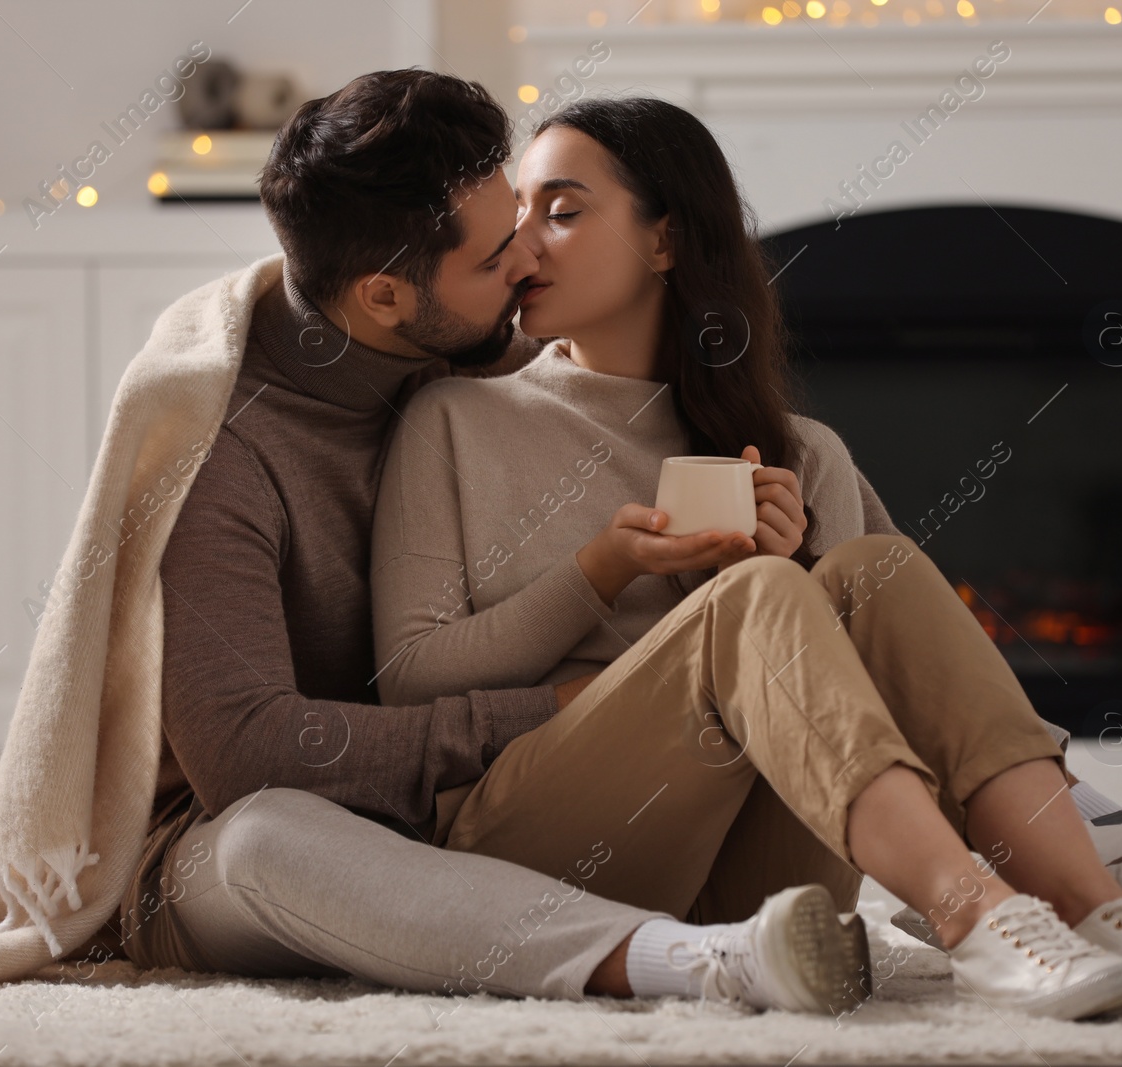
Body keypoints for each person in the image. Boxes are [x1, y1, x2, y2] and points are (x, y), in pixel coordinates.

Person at [367, 95, 1122, 1022]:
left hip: (758, 898)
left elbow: (896, 687)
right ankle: (981, 919)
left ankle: (1096, 910)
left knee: (874, 569)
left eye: (562, 210)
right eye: (518, 214)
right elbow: (409, 677)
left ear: (666, 241)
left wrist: (781, 572)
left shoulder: (799, 450)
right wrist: (602, 569)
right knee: (764, 592)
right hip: (536, 861)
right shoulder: (456, 418)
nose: (524, 246)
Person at [116, 69, 871, 1018]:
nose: (525, 264)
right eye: (495, 256)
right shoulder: (221, 451)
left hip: (465, 822)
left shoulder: (482, 353)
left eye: (525, 221)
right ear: (387, 297)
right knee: (265, 836)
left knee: (865, 568)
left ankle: (1062, 841)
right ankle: (693, 961)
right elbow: (245, 750)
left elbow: (860, 575)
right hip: (240, 833)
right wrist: (549, 707)